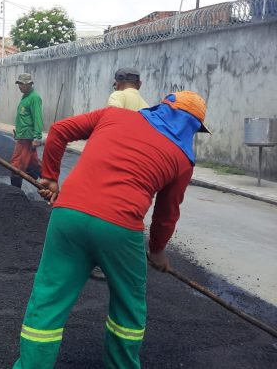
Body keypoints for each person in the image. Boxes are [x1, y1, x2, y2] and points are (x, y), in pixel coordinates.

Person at [14, 91, 210, 369]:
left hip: (67, 216)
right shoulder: (183, 159)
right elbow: (167, 214)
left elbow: (59, 130)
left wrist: (50, 178)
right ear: (193, 127)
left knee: (48, 298)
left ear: (160, 108)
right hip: (119, 230)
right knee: (128, 306)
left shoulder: (113, 115)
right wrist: (156, 251)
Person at [91, 67, 149, 281]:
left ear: (117, 83)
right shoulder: (146, 107)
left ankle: (100, 264)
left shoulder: (117, 96)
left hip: (115, 160)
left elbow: (112, 120)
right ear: (140, 85)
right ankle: (124, 262)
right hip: (137, 165)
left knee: (102, 211)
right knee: (124, 214)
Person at [10, 73, 43, 188]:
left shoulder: (34, 98)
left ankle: (14, 193)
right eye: (18, 84)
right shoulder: (25, 96)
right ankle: (49, 183)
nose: (19, 86)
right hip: (22, 136)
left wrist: (37, 138)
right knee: (33, 164)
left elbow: (37, 118)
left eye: (21, 84)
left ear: (29, 84)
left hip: (27, 138)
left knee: (16, 165)